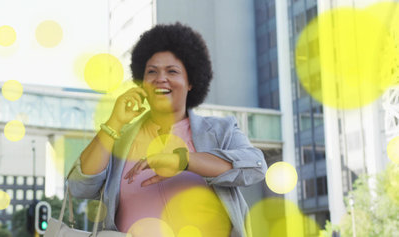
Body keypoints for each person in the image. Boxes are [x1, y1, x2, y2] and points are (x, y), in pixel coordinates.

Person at [68, 23, 267, 237]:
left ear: (191, 81)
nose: (160, 78)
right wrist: (113, 124)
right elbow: (79, 188)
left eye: (172, 71)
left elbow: (255, 166)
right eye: (151, 72)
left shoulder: (221, 130)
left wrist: (183, 161)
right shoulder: (119, 140)